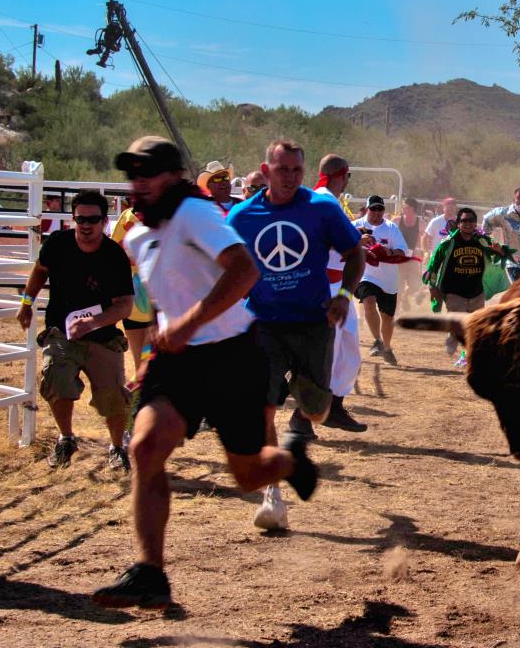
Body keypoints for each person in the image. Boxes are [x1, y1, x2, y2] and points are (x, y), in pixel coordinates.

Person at [92, 136, 316, 609]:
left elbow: (244, 272)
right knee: (146, 447)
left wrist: (189, 322)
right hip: (177, 360)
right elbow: (166, 294)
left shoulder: (196, 214)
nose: (139, 181)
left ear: (174, 176)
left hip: (234, 355)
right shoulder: (136, 234)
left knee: (250, 477)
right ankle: (150, 572)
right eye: (132, 172)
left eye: (148, 171)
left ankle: (293, 458)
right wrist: (158, 337)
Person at [227, 139, 366, 530]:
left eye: (296, 171)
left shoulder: (321, 208)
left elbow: (357, 254)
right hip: (263, 324)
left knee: (317, 410)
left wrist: (343, 295)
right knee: (261, 407)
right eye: (281, 169)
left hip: (313, 323)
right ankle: (273, 497)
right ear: (265, 169)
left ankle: (300, 424)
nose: (289, 178)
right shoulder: (241, 216)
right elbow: (222, 266)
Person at [17, 191, 134, 471]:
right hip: (62, 332)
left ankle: (117, 448)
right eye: (80, 218)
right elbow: (40, 270)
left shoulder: (114, 255)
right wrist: (26, 302)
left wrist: (93, 323)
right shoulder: (58, 243)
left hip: (103, 336)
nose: (85, 224)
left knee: (113, 399)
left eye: (92, 219)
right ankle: (66, 438)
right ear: (73, 219)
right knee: (56, 379)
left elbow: (125, 307)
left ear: (104, 221)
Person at [312, 154, 367, 436]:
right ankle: (310, 414)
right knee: (328, 353)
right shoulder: (324, 201)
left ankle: (332, 406)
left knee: (347, 351)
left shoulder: (329, 201)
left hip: (337, 285)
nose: (347, 182)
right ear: (341, 175)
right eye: (347, 176)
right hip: (327, 287)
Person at [424, 207, 512, 363]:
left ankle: (466, 355)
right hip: (453, 292)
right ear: (458, 223)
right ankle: (453, 336)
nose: (468, 224)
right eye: (464, 220)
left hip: (477, 291)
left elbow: (499, 255)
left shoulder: (482, 241)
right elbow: (433, 265)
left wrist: (501, 252)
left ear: (475, 223)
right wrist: (432, 286)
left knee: (475, 326)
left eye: (472, 220)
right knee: (462, 323)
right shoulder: (448, 243)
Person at [353, 195, 409, 366]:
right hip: (365, 275)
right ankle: (377, 340)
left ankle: (387, 347)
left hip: (388, 280)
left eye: (380, 209)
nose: (377, 213)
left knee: (387, 317)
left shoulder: (391, 228)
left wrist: (387, 252)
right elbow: (342, 244)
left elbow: (402, 251)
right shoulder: (356, 226)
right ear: (367, 209)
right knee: (369, 301)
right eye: (373, 209)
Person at [110, 204, 155, 391]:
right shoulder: (127, 219)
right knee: (141, 359)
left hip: (157, 295)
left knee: (149, 355)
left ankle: (135, 393)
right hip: (134, 297)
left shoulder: (165, 217)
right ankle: (135, 399)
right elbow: (115, 253)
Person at [396, 197, 425, 312]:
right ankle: (395, 313)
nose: (403, 208)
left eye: (405, 206)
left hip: (413, 257)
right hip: (398, 257)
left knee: (416, 285)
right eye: (403, 206)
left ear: (412, 208)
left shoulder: (420, 223)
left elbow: (423, 239)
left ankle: (405, 297)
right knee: (398, 286)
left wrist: (422, 251)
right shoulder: (397, 221)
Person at [422, 197, 458, 262]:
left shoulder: (461, 223)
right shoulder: (435, 221)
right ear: (443, 208)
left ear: (456, 208)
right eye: (448, 207)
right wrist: (426, 253)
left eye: (452, 207)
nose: (450, 209)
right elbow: (424, 238)